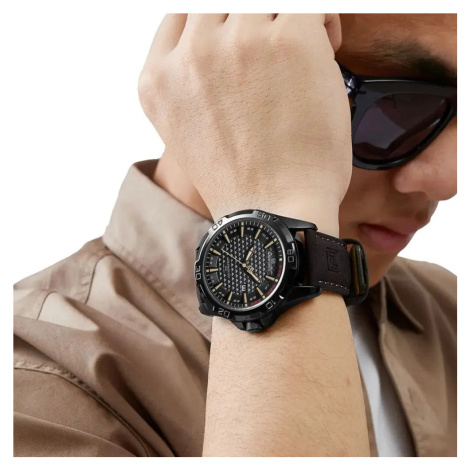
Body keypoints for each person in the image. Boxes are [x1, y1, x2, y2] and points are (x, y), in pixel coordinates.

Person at [13, 13, 456, 457]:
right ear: (219, 59)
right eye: (397, 106)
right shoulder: (31, 380)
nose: (450, 180)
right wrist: (280, 202)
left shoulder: (451, 308)